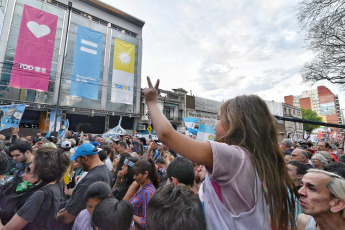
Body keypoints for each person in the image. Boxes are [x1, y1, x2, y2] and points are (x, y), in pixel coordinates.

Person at [142, 77, 296, 229]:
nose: (214, 126)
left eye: (218, 119)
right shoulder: (251, 159)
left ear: (235, 124)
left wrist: (152, 102)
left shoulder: (235, 157)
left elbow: (166, 135)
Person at [0, 147, 69, 229]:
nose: (30, 165)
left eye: (33, 162)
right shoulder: (57, 184)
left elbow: (8, 229)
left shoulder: (41, 194)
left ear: (41, 167)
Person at [56, 143, 113, 227]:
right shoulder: (105, 170)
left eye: (78, 160)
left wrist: (56, 217)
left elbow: (69, 218)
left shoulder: (92, 178)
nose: (78, 164)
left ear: (84, 158)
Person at [129, 159, 158, 229]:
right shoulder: (142, 188)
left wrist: (129, 214)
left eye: (137, 175)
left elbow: (147, 222)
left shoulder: (148, 192)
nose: (134, 177)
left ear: (145, 174)